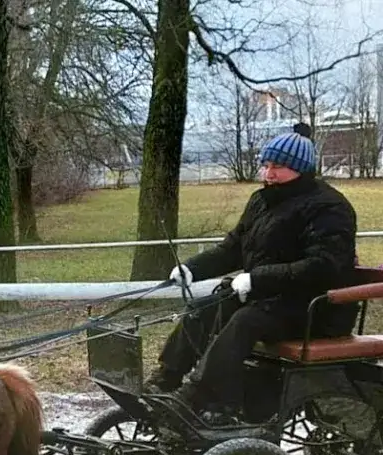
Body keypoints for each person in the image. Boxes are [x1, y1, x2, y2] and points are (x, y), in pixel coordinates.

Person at [147, 123, 360, 425]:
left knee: (245, 320)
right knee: (206, 307)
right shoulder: (261, 201)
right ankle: (165, 379)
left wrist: (258, 279)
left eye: (279, 167)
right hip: (272, 300)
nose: (269, 173)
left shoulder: (330, 207)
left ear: (302, 169)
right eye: (267, 165)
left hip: (316, 308)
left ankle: (201, 396)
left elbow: (324, 266)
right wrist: (192, 268)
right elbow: (233, 248)